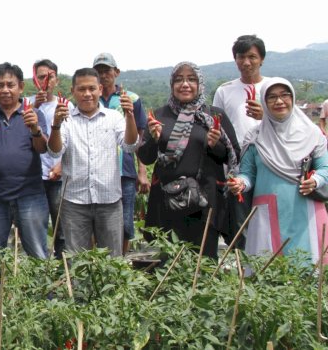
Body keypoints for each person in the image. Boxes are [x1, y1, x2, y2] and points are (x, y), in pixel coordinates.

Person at [0, 62, 62, 259]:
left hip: (30, 194)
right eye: (0, 85)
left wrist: (35, 129)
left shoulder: (34, 113)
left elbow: (42, 148)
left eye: (10, 84)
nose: (5, 90)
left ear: (21, 87)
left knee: (38, 253)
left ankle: (41, 291)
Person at [138, 62, 240, 258]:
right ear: (171, 85)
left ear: (200, 84)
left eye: (191, 79)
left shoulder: (214, 115)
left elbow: (233, 154)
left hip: (205, 200)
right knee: (169, 259)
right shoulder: (160, 115)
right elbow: (146, 157)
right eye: (179, 80)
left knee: (204, 258)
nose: (185, 84)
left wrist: (215, 144)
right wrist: (155, 140)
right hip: (168, 200)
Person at [227, 78, 328, 265]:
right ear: (264, 103)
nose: (279, 101)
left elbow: (325, 169)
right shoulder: (255, 136)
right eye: (272, 97)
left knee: (310, 270)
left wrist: (315, 181)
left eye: (284, 95)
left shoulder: (312, 134)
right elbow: (248, 174)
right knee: (268, 269)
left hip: (307, 211)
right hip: (267, 212)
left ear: (292, 97)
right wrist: (240, 183)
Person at [55, 68, 139, 257]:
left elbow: (130, 146)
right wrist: (55, 125)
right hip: (74, 201)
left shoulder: (114, 117)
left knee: (112, 261)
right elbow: (55, 150)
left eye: (92, 88)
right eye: (81, 89)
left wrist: (130, 115)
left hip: (109, 200)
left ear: (100, 89)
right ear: (73, 91)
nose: (87, 94)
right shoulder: (66, 120)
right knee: (77, 261)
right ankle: (76, 288)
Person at [212, 35, 267, 248]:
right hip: (237, 164)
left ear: (261, 59)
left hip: (268, 162)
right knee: (240, 220)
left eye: (252, 57)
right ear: (235, 59)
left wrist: (266, 116)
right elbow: (216, 128)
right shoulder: (224, 90)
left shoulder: (274, 88)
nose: (246, 62)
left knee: (267, 215)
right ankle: (244, 266)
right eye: (241, 57)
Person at [92, 53, 149, 255]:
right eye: (98, 71)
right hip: (96, 170)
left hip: (124, 170)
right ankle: (97, 264)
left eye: (106, 70)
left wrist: (142, 171)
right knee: (95, 220)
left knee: (125, 221)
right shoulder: (90, 99)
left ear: (116, 72)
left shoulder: (130, 99)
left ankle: (120, 263)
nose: (103, 75)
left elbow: (141, 137)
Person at [27, 59, 66, 257]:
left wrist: (60, 165)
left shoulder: (65, 105)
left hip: (57, 177)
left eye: (49, 77)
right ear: (35, 80)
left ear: (56, 80)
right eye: (41, 77)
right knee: (36, 225)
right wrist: (35, 105)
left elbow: (70, 140)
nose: (45, 81)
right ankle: (40, 269)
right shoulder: (26, 103)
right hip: (34, 177)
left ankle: (63, 270)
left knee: (61, 228)